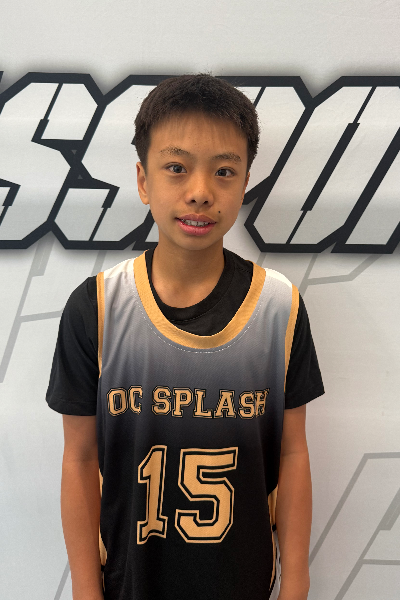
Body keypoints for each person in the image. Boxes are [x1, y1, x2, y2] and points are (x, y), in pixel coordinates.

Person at [46, 74, 324, 600]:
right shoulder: (97, 308)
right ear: (143, 180)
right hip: (128, 583)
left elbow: (292, 454)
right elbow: (79, 459)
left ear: (245, 183)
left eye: (224, 171)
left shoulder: (278, 308)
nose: (200, 192)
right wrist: (84, 587)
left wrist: (297, 583)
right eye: (176, 168)